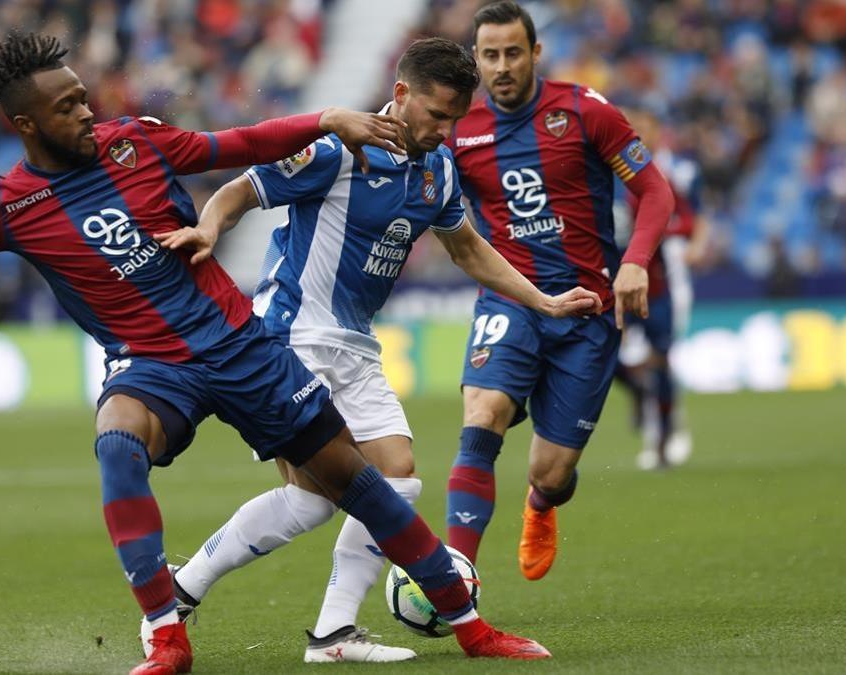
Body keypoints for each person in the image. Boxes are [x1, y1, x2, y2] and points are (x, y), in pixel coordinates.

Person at [0, 31, 552, 675]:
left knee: (360, 484)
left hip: (239, 341)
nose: (88, 114)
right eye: (68, 108)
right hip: (149, 362)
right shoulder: (9, 206)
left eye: (86, 99)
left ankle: (473, 628)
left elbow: (239, 143)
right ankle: (167, 633)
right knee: (117, 444)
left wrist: (326, 119)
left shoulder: (137, 141)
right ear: (26, 124)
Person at [146, 38, 600, 664]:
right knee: (332, 492)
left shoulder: (436, 171)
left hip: (355, 346)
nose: (444, 131)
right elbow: (243, 189)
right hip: (292, 338)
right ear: (402, 94)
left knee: (388, 482)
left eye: (454, 120)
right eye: (437, 115)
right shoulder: (336, 150)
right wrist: (209, 227)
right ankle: (319, 630)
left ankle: (228, 600)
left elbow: (468, 249)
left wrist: (543, 301)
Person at [442, 1, 674, 579]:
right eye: (490, 55)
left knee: (550, 472)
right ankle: (455, 582)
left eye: (513, 53)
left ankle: (541, 504)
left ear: (535, 53)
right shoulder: (461, 131)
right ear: (476, 59)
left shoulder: (583, 110)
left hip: (588, 312)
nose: (502, 66)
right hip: (511, 299)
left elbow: (655, 192)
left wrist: (636, 262)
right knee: (484, 410)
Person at [614, 106, 710, 470]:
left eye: (644, 127)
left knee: (662, 359)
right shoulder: (604, 175)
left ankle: (665, 435)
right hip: (611, 282)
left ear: (657, 131)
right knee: (606, 358)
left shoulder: (665, 177)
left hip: (657, 283)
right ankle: (639, 392)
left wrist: (693, 243)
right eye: (631, 128)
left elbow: (690, 218)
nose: (637, 135)